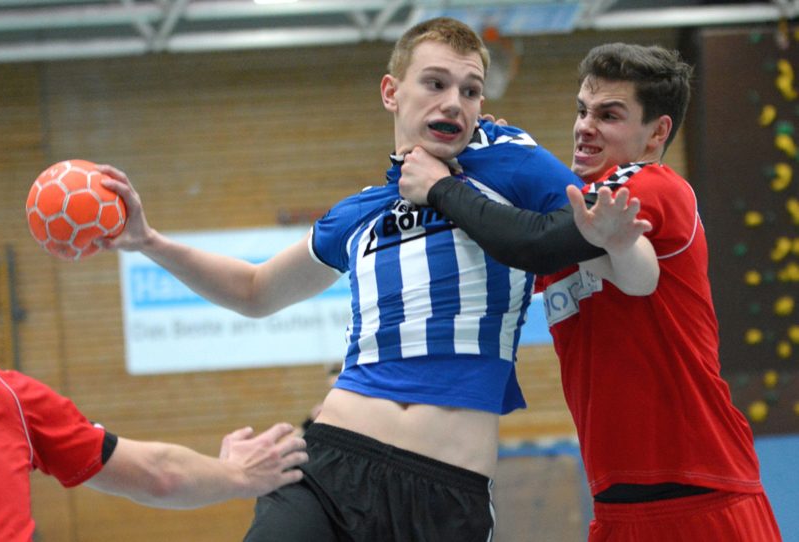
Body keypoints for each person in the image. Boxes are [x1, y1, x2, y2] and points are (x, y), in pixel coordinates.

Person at [96, 17, 646, 542]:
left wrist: (622, 240)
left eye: (470, 90)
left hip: (444, 489)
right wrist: (151, 243)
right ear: (392, 92)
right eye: (435, 82)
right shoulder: (360, 211)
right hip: (331, 462)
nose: (453, 101)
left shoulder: (508, 165)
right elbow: (254, 290)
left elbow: (601, 237)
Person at [398, 43, 782, 541]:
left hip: (705, 499)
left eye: (609, 115)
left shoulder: (652, 186)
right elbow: (512, 236)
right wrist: (481, 147)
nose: (585, 127)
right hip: (614, 511)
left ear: (657, 133)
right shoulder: (573, 223)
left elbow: (556, 249)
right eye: (582, 110)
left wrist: (442, 186)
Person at [0, 358, 307, 541]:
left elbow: (158, 473)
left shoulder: (11, 396)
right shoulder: (4, 393)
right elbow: (158, 476)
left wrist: (235, 473)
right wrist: (236, 474)